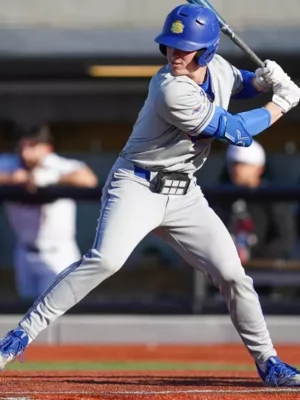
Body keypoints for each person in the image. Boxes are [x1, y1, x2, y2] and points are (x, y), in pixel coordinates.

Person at [0, 4, 300, 386]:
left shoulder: (219, 68)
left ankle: (268, 362)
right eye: (171, 46)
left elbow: (235, 82)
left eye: (185, 47)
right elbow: (236, 130)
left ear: (207, 51)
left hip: (185, 192)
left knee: (234, 276)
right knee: (105, 260)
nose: (175, 54)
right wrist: (281, 103)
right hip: (137, 185)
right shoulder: (169, 89)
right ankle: (19, 336)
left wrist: (261, 80)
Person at [0, 124, 98, 299]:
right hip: (25, 252)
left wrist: (52, 178)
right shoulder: (11, 164)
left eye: (32, 146)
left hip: (58, 254)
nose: (25, 153)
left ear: (47, 148)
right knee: (27, 315)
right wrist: (14, 179)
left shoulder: (57, 165)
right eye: (22, 146)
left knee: (54, 314)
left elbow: (89, 179)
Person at [217, 141, 296, 264]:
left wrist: (253, 258)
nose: (236, 169)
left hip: (264, 275)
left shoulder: (273, 198)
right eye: (233, 164)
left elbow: (285, 239)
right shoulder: (221, 198)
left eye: (243, 164)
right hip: (224, 270)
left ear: (259, 168)